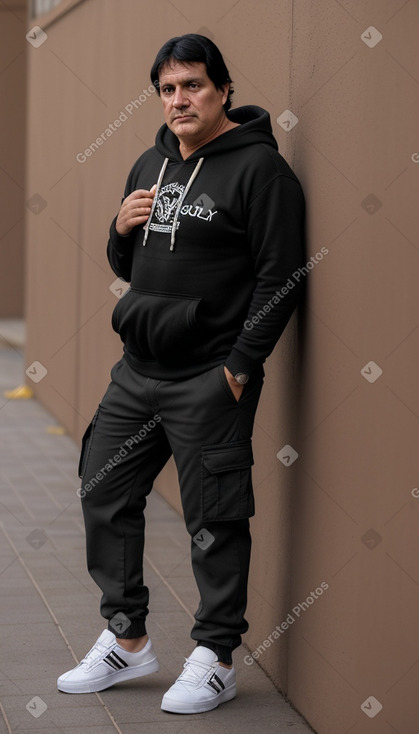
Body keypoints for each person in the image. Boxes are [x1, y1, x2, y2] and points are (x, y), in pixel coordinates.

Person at [57, 33, 305, 714]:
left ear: (223, 89)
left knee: (213, 517)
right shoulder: (150, 161)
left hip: (208, 377)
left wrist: (238, 369)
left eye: (192, 85)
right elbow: (127, 265)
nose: (178, 99)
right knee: (101, 489)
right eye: (167, 89)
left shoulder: (260, 172)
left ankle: (216, 656)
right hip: (137, 370)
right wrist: (118, 227)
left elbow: (280, 277)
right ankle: (127, 639)